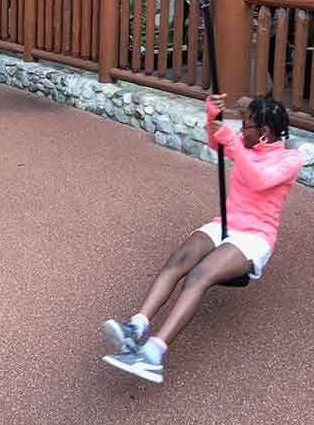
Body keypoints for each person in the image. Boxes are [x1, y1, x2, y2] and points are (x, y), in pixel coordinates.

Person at [101, 95, 303, 384]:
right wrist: (212, 118)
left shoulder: (289, 159)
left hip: (254, 236)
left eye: (245, 126)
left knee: (198, 277)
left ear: (265, 132)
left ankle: (153, 355)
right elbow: (216, 143)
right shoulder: (246, 143)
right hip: (225, 223)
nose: (240, 130)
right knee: (179, 259)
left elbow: (259, 179)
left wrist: (232, 142)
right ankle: (136, 326)